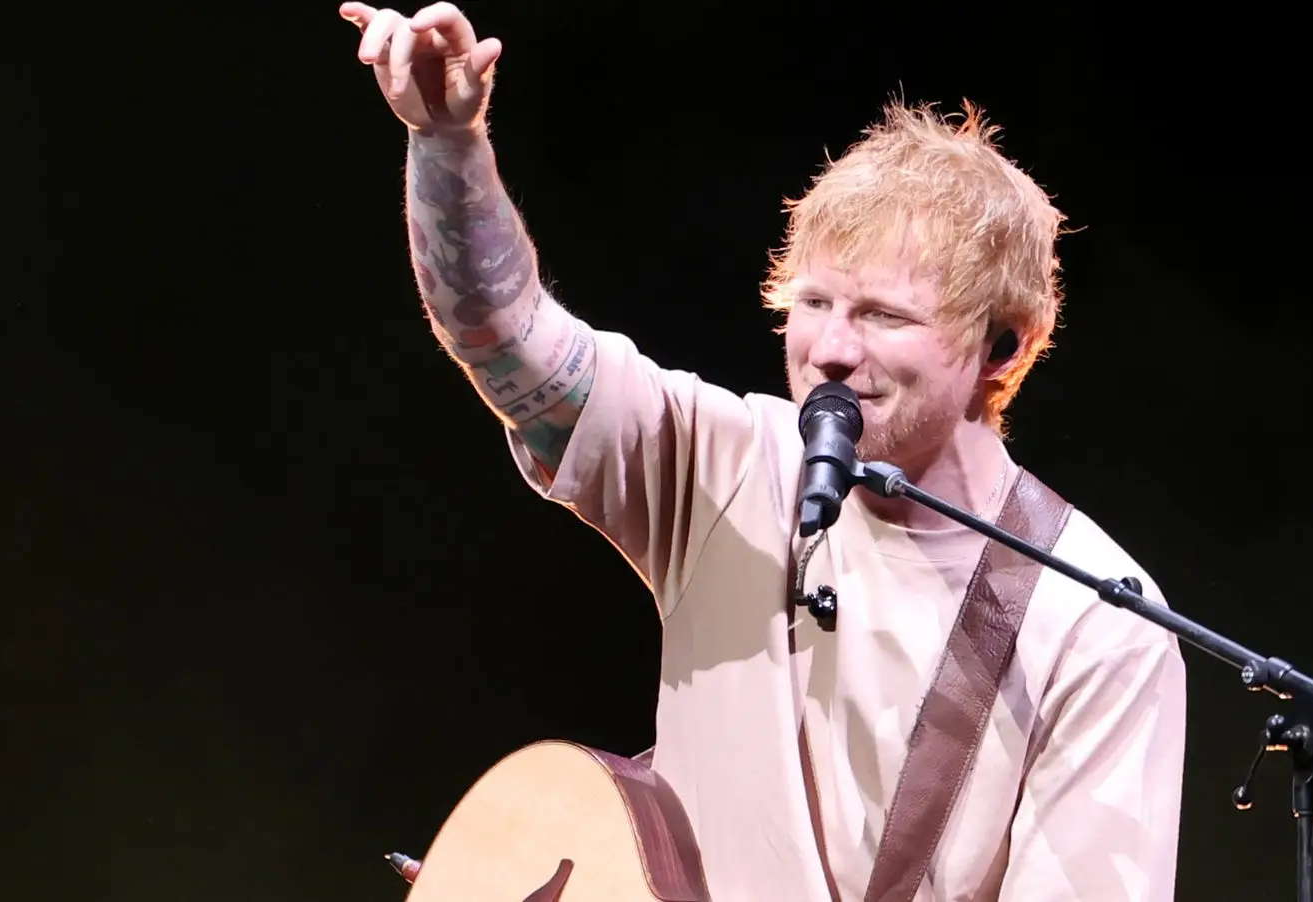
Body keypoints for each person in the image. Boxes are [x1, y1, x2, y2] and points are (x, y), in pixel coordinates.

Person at [338, 3, 1189, 899]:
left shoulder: (1095, 625)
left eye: (883, 316)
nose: (829, 348)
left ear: (1003, 347)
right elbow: (508, 342)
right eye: (813, 304)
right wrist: (447, 141)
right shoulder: (732, 458)